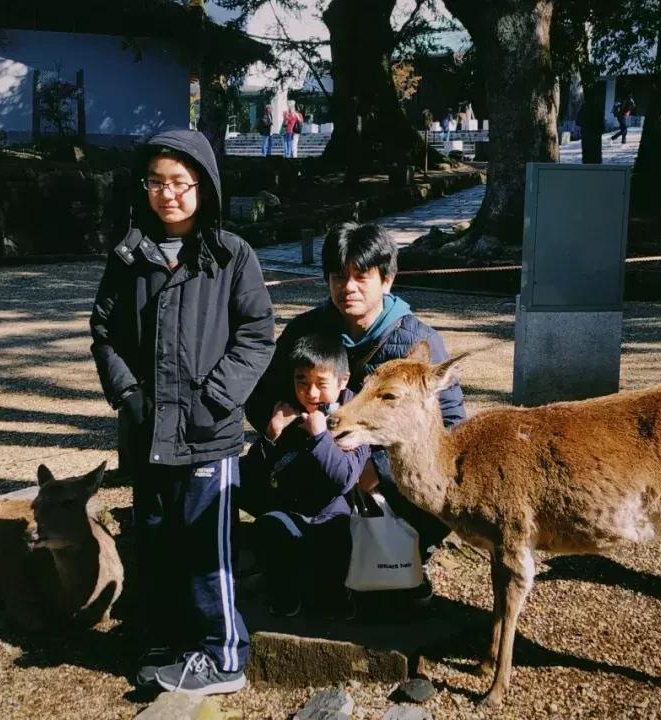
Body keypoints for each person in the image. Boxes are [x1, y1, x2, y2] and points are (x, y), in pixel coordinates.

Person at [89, 129, 275, 696]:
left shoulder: (230, 255)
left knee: (204, 547)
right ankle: (167, 640)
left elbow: (258, 335)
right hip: (149, 434)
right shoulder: (130, 256)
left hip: (206, 437)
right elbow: (103, 332)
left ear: (203, 187)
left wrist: (213, 400)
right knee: (156, 538)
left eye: (179, 183)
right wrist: (129, 397)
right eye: (156, 182)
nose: (167, 194)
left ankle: (222, 655)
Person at [245, 222, 466, 606]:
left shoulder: (418, 340)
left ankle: (407, 560)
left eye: (361, 276)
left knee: (431, 493)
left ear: (387, 280)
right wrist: (292, 428)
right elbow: (262, 398)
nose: (348, 287)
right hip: (317, 463)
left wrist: (378, 470)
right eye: (338, 276)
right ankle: (302, 553)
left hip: (386, 479)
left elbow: (451, 425)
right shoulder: (306, 331)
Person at [242, 334, 371, 618]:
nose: (311, 393)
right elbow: (254, 474)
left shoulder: (355, 417)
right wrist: (271, 436)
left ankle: (333, 596)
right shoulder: (286, 409)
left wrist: (320, 437)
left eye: (321, 384)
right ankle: (285, 593)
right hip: (290, 507)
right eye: (302, 381)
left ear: (343, 380)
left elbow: (344, 478)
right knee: (269, 527)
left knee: (334, 537)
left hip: (332, 512)